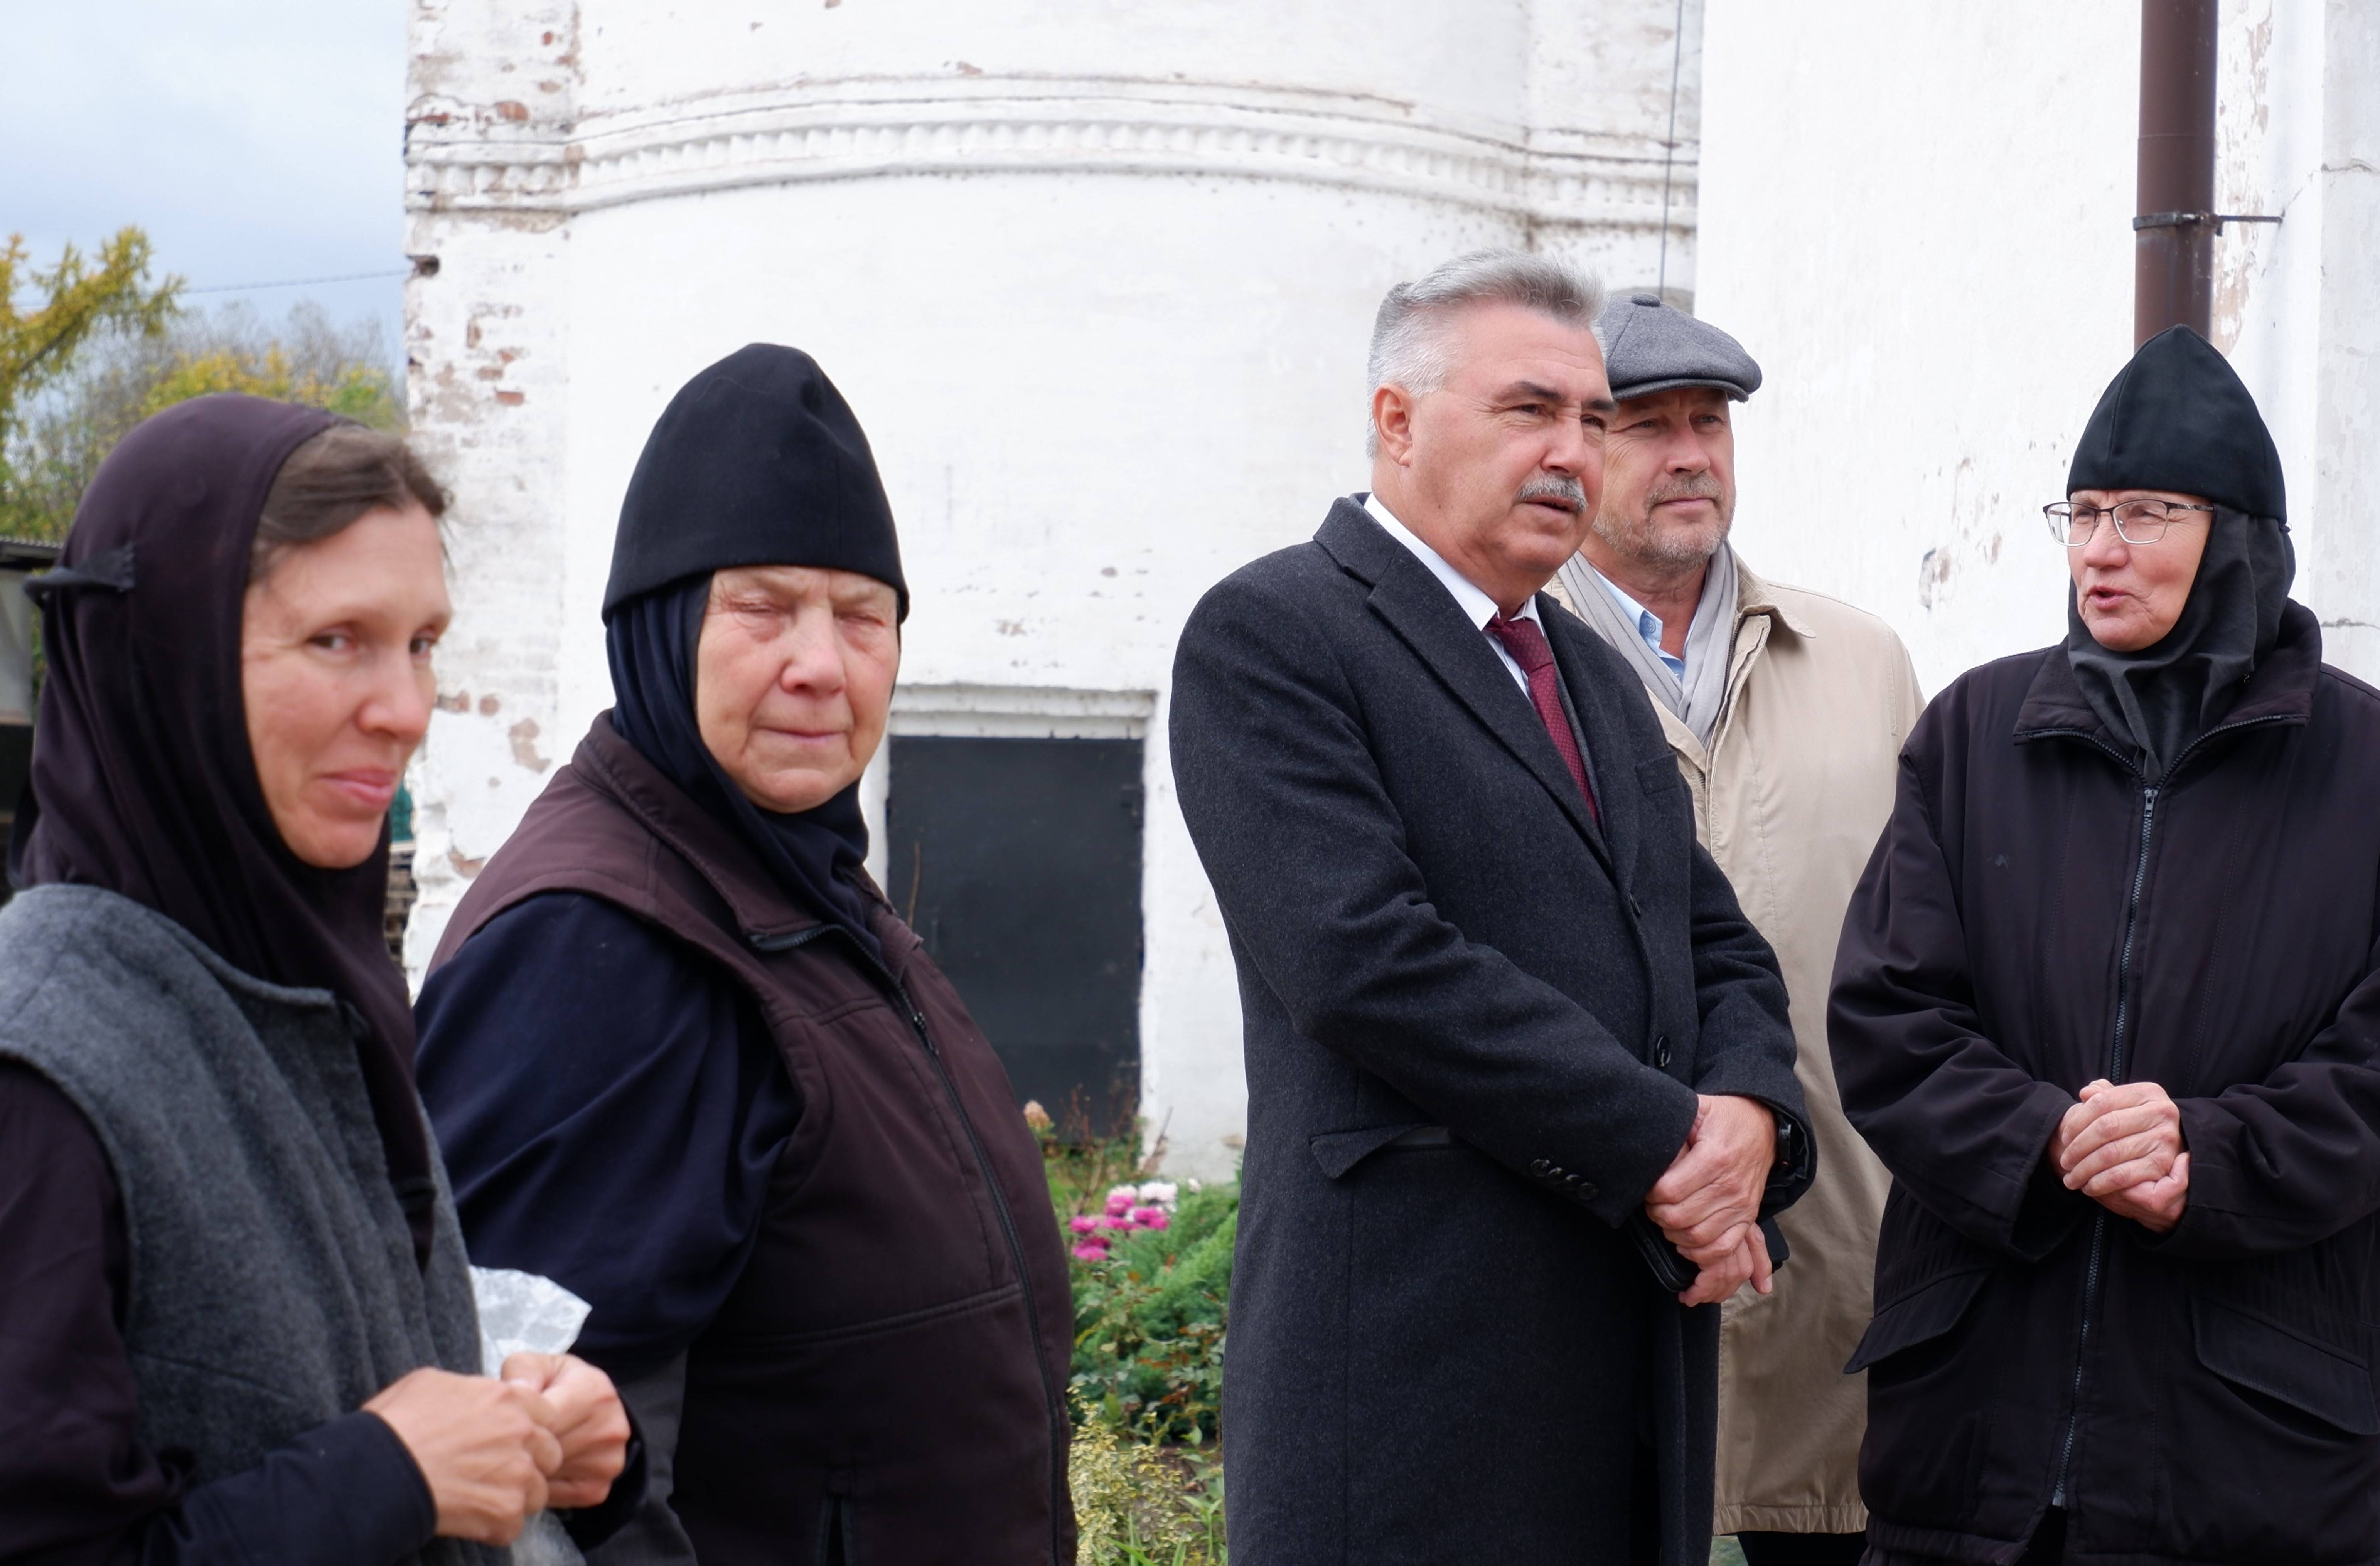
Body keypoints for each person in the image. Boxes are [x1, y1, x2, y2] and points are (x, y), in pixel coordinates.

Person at [1170, 249, 1812, 1566]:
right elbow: (1362, 960)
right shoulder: (1275, 633)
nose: (1573, 451)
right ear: (1396, 421)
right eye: (1530, 410)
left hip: (1625, 1375)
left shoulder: (1585, 667)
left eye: (1591, 418)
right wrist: (1668, 1143)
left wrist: (1751, 1115)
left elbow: (1709, 939)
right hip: (1412, 1391)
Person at [1827, 325, 2380, 1565]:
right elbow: (1886, 1018)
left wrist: (2203, 1154)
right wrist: (2044, 1138)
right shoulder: (1972, 737)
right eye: (2081, 514)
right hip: (1974, 1444)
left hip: (2246, 1456)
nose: (2099, 549)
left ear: (2237, 540)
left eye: (2144, 513)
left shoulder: (2377, 773)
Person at [413, 344, 1074, 1564]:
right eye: (763, 608)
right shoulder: (597, 946)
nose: (821, 665)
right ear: (660, 629)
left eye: (862, 616)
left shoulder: (797, 885)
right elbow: (543, 1490)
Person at [0, 398, 637, 1564]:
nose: (405, 710)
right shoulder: (41, 1065)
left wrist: (531, 1433)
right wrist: (385, 1478)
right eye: (337, 639)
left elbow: (325, 1394)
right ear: (165, 662)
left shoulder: (303, 989)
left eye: (423, 642)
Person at [1546, 294, 1920, 1565]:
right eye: (1646, 427)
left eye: (1708, 424)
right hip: (1601, 1248)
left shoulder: (1862, 663)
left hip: (1838, 1263)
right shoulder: (1505, 669)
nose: (1690, 455)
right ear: (1575, 450)